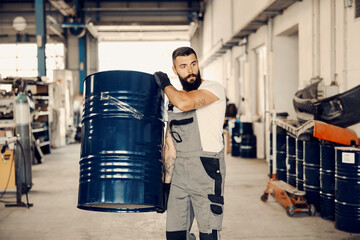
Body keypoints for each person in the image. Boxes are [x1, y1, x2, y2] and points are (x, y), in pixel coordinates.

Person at [154, 47, 226, 240]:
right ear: (175, 70)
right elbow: (170, 146)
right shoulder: (172, 102)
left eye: (193, 64)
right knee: (175, 235)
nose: (190, 70)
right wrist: (165, 185)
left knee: (209, 234)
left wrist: (166, 85)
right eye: (183, 66)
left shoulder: (213, 88)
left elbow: (185, 102)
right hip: (178, 174)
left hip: (206, 171)